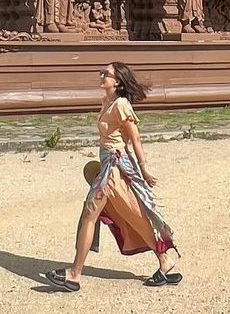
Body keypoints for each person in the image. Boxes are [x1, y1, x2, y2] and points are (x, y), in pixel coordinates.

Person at [44, 62, 181, 292]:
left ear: (116, 81)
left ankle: (75, 274)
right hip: (108, 165)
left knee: (93, 213)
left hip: (115, 168)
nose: (101, 76)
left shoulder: (121, 105)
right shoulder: (106, 102)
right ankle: (164, 260)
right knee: (131, 214)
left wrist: (144, 169)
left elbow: (135, 139)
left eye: (105, 74)